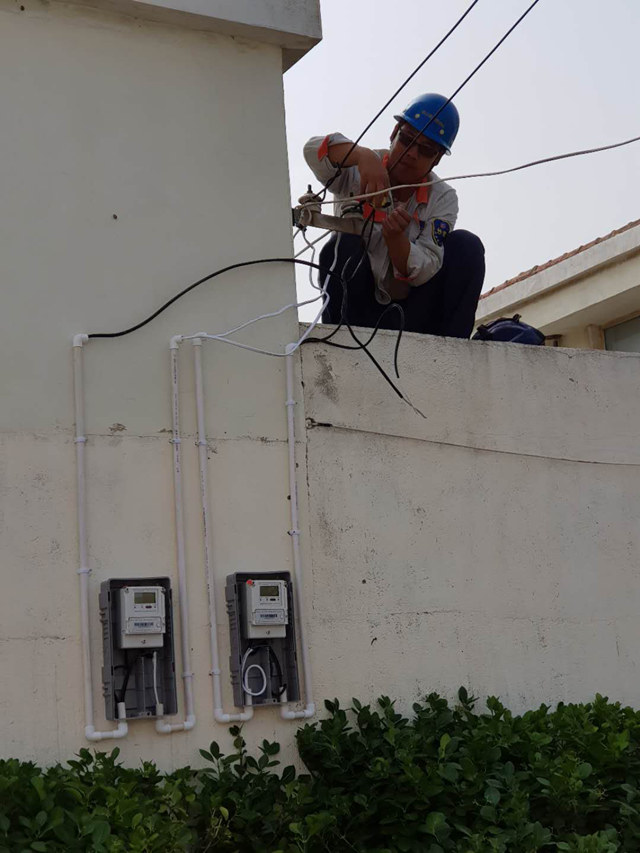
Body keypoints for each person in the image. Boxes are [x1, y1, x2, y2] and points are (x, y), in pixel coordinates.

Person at [303, 93, 485, 337]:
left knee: (466, 246)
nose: (411, 154)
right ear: (394, 133)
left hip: (412, 314)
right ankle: (339, 339)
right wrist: (361, 155)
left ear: (437, 159)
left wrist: (397, 241)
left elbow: (428, 265)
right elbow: (312, 150)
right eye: (407, 140)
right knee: (342, 245)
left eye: (425, 150)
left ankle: (453, 349)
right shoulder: (357, 169)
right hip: (358, 309)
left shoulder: (442, 197)